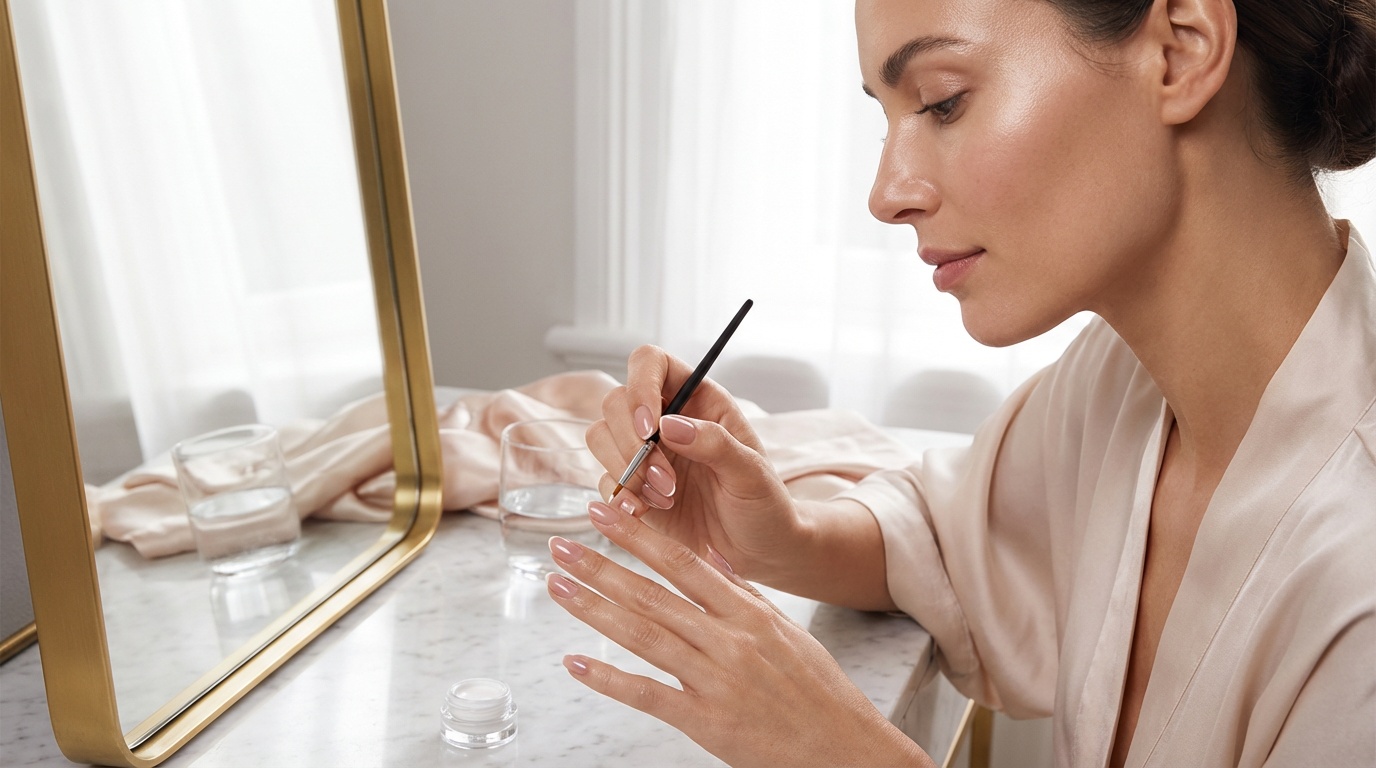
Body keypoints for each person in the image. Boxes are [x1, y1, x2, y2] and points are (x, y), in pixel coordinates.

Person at [543, 0, 1376, 764]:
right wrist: (779, 535)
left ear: (1181, 50)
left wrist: (848, 754)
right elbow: (948, 541)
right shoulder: (1118, 388)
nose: (885, 195)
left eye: (942, 101)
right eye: (887, 117)